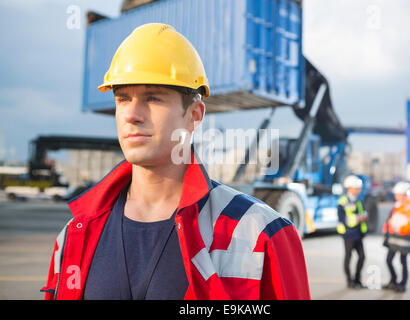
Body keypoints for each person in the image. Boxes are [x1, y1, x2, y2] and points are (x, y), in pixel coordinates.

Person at [41, 23, 310, 300]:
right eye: (122, 99)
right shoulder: (74, 234)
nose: (131, 114)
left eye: (153, 98)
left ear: (194, 115)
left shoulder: (261, 233)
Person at [382, 181, 410, 293]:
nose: (395, 196)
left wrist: (399, 229)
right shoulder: (398, 206)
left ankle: (402, 284)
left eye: (397, 194)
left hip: (405, 239)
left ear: (404, 195)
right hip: (394, 238)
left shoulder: (409, 208)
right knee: (389, 260)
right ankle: (393, 281)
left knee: (403, 261)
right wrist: (387, 228)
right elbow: (391, 220)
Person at [337, 175, 369, 289]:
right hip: (349, 235)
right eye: (357, 188)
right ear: (349, 188)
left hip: (358, 234)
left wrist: (364, 216)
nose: (359, 190)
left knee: (362, 257)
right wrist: (358, 218)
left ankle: (357, 279)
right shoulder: (342, 201)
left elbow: (364, 213)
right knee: (348, 257)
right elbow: (342, 219)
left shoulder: (359, 201)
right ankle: (349, 281)